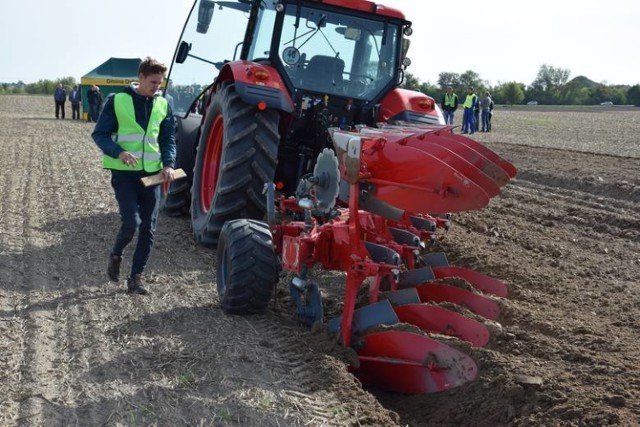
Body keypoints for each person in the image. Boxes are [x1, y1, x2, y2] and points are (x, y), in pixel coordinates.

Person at [91, 57, 177, 295]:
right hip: (125, 176)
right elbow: (100, 134)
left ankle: (135, 278)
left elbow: (168, 138)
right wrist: (118, 152)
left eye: (160, 82)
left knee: (148, 228)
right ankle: (116, 254)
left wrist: (168, 164)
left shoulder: (163, 104)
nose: (157, 86)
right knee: (132, 223)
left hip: (153, 177)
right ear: (140, 77)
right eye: (153, 81)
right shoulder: (117, 101)